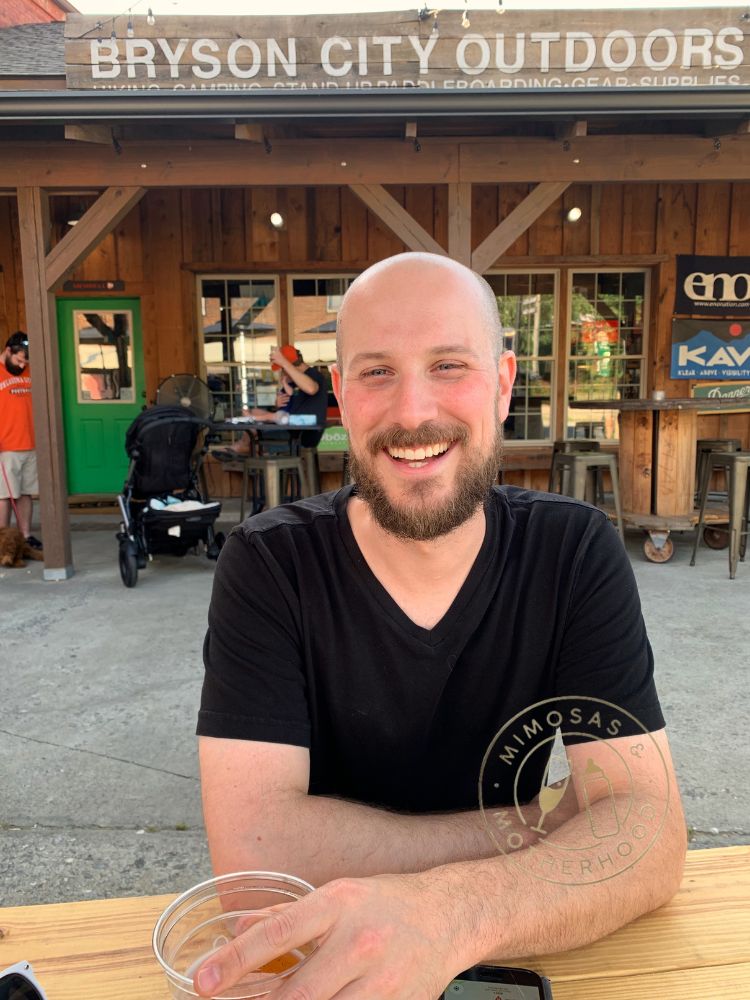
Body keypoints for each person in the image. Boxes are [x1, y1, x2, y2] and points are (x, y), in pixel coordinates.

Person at [196, 253, 686, 999]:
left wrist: (450, 912)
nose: (412, 412)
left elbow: (646, 839)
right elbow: (256, 869)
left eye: (449, 364)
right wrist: (534, 826)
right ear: (341, 394)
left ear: (502, 382)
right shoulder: (269, 564)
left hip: (524, 958)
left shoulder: (573, 550)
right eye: (377, 372)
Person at [0, 331, 41, 550]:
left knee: (25, 493)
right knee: (4, 496)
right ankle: (3, 540)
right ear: (8, 351)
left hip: (30, 443)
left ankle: (25, 537)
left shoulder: (29, 370)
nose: (22, 364)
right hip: (6, 446)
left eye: (25, 360)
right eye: (19, 359)